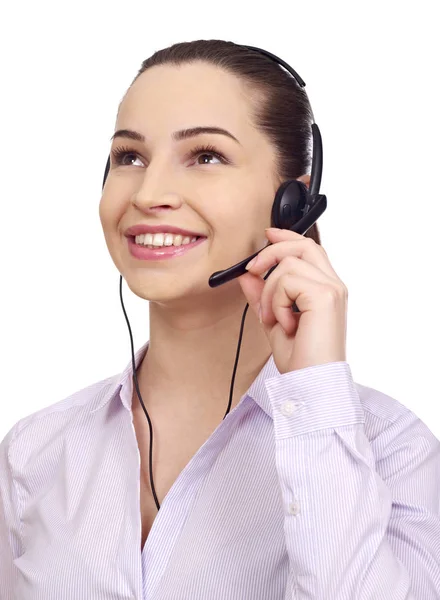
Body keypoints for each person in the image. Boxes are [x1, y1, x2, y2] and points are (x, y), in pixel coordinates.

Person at [1, 39, 439, 600]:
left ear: (291, 204)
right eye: (129, 157)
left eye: (206, 156)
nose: (149, 193)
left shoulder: (392, 450)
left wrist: (315, 394)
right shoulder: (34, 452)